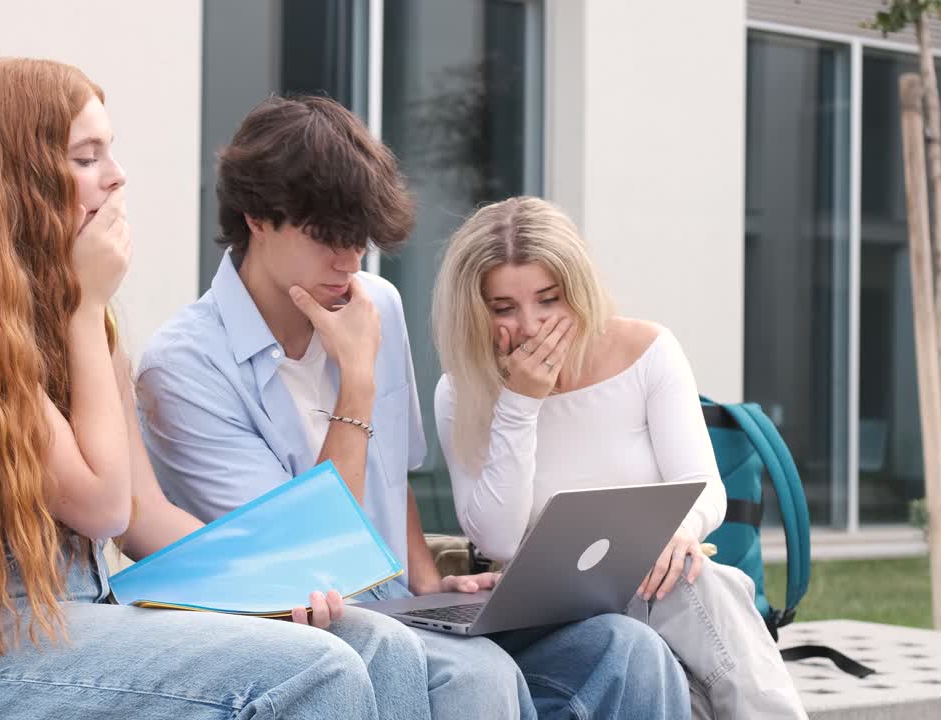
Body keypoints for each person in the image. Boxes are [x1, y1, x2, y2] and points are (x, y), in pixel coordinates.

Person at [0, 58, 432, 720]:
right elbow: (103, 507)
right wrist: (87, 309)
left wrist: (271, 586)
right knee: (318, 669)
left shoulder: (74, 315)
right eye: (87, 157)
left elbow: (144, 517)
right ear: (13, 178)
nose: (117, 175)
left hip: (82, 619)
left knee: (384, 646)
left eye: (110, 151)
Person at [136, 94, 691, 720]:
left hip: (403, 610)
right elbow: (304, 557)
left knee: (627, 649)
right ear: (257, 218)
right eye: (325, 238)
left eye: (359, 240)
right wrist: (357, 380)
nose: (349, 262)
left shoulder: (376, 301)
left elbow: (393, 477)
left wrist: (429, 583)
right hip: (305, 631)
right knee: (476, 677)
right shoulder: (184, 368)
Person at [431, 195, 810, 719]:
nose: (531, 326)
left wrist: (678, 534)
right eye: (504, 308)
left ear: (577, 291)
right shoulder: (460, 391)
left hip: (653, 592)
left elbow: (704, 486)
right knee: (692, 600)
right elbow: (498, 540)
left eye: (548, 300)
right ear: (476, 311)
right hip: (546, 618)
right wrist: (519, 404)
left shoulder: (647, 351)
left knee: (694, 582)